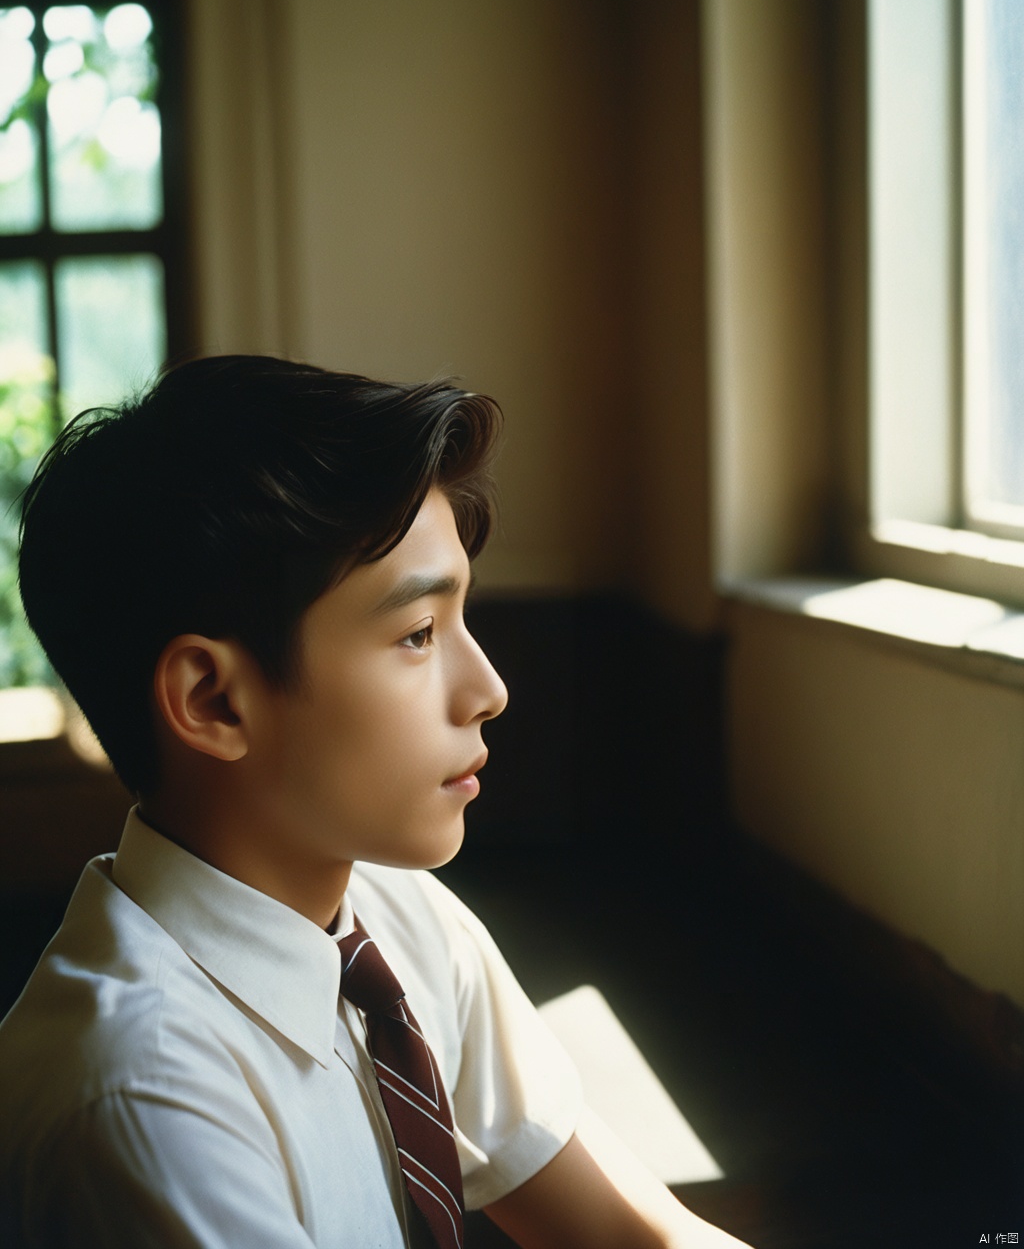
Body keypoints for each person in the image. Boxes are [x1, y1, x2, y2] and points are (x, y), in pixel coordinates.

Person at [0, 355, 752, 1249]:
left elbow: (639, 1235)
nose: (491, 688)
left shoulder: (393, 921)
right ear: (213, 701)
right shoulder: (145, 1100)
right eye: (418, 633)